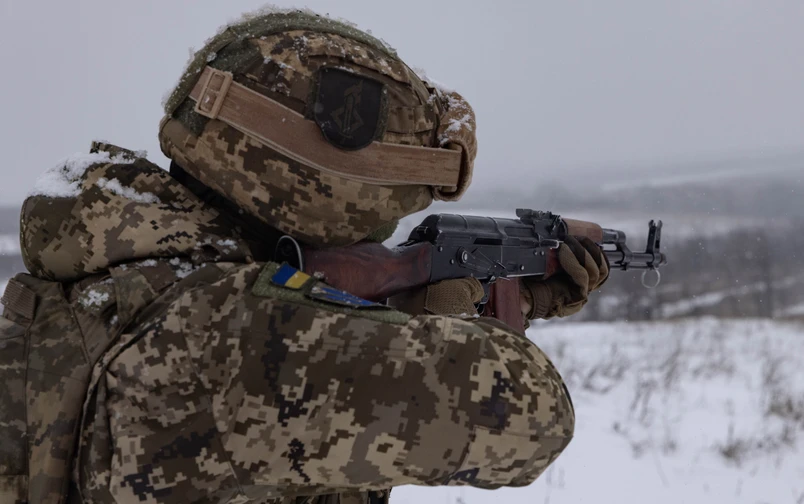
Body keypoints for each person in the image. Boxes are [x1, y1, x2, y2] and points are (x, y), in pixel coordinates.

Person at [0, 8, 608, 504]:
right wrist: (446, 319)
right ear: (325, 187)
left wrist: (505, 294)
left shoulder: (117, 277)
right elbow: (531, 418)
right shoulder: (245, 336)